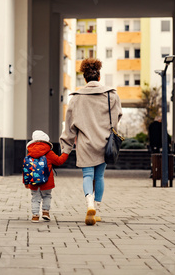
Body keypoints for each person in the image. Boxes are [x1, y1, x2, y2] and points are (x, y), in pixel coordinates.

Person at [60, 58, 122, 225]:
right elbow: (117, 118)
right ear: (99, 77)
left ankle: (89, 203)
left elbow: (69, 126)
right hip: (104, 142)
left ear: (85, 78)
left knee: (88, 175)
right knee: (100, 176)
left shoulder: (76, 98)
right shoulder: (111, 95)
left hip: (85, 144)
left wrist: (65, 148)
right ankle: (98, 210)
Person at [24, 130, 69, 223]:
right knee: (47, 196)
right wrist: (66, 153)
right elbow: (59, 161)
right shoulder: (49, 153)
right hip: (47, 181)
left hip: (33, 181)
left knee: (35, 198)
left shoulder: (30, 154)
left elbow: (26, 168)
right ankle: (45, 212)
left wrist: (26, 182)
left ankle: (35, 216)